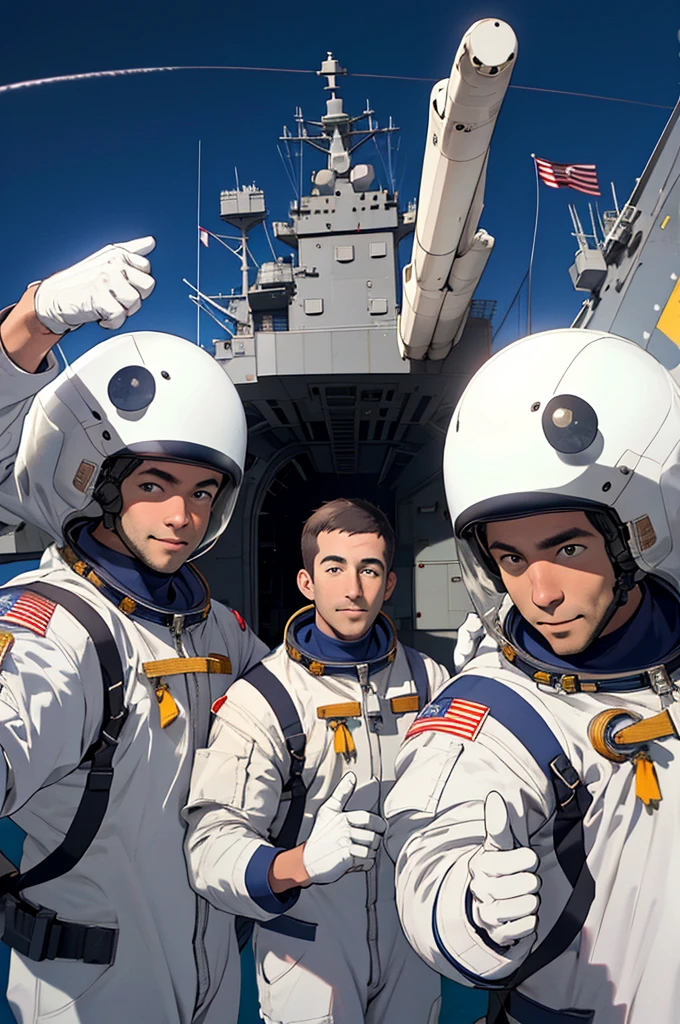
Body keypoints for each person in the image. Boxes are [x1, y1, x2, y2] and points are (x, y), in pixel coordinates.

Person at [0, 239, 267, 1023]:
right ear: (100, 482)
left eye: (201, 491)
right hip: (91, 988)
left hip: (210, 971)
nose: (182, 516)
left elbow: (298, 705)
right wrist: (29, 322)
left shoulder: (212, 626)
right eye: (155, 486)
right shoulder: (59, 622)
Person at [384, 327, 680, 1024]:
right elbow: (433, 836)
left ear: (638, 534)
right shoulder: (494, 709)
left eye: (567, 547)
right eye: (511, 560)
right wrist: (467, 910)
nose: (538, 591)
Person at [183, 498, 449, 1024]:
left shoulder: (430, 683)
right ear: (307, 582)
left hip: (411, 945)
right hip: (308, 948)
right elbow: (210, 849)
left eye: (369, 570)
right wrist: (301, 863)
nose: (353, 588)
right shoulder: (264, 699)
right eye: (334, 568)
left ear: (389, 584)